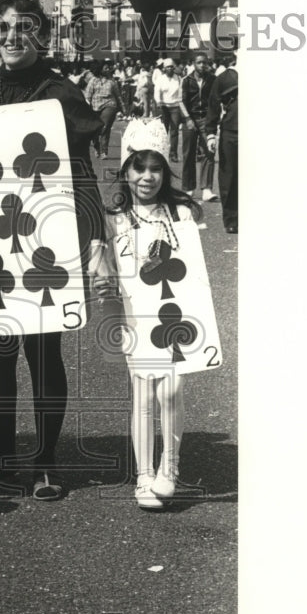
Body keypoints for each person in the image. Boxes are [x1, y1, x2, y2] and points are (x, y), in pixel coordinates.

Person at [0, 0, 105, 500]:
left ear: (41, 35)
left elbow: (84, 173)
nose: (11, 37)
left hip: (47, 245)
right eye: (3, 28)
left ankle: (46, 462)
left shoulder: (60, 96)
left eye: (24, 28)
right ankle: (3, 460)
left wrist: (96, 241)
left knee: (44, 356)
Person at [95, 119, 202, 508]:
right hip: (134, 317)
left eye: (156, 167)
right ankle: (143, 474)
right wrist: (102, 280)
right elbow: (104, 268)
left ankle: (168, 467)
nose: (147, 176)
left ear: (166, 171)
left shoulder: (182, 216)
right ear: (126, 170)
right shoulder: (114, 217)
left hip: (174, 316)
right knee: (143, 392)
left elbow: (194, 274)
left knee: (171, 390)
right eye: (139, 167)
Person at [206, 47, 238, 233]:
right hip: (231, 133)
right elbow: (213, 105)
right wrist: (211, 133)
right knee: (229, 176)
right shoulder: (225, 77)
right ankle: (232, 219)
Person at [181, 52, 217, 202]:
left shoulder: (213, 79)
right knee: (188, 153)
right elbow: (181, 101)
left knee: (208, 152)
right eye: (199, 62)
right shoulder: (187, 80)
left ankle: (207, 189)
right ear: (194, 64)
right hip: (190, 118)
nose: (202, 65)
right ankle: (188, 189)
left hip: (206, 119)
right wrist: (188, 119)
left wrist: (214, 119)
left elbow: (215, 100)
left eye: (205, 62)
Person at [83, 59, 122, 159]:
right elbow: (88, 96)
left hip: (109, 106)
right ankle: (97, 148)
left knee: (105, 127)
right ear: (100, 69)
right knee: (95, 129)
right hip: (95, 107)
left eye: (109, 68)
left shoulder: (112, 81)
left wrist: (123, 108)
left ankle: (104, 152)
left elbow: (118, 96)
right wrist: (86, 109)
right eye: (106, 68)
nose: (108, 69)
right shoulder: (93, 81)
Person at [154, 58, 184, 162]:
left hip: (175, 107)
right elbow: (157, 92)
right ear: (164, 69)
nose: (170, 69)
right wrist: (158, 102)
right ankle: (161, 153)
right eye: (168, 67)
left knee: (174, 131)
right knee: (163, 131)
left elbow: (181, 93)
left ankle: (173, 154)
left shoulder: (179, 79)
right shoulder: (160, 79)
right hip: (163, 107)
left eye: (171, 67)